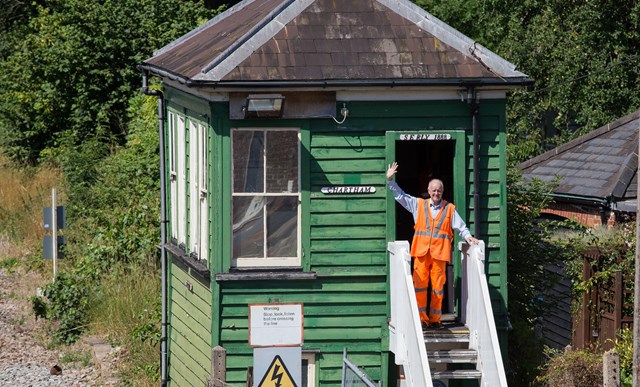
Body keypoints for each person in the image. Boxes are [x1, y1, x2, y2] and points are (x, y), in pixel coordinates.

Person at [386, 161, 479, 330]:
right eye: (433, 190)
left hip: (439, 255)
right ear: (428, 191)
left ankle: (435, 320)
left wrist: (468, 237)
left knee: (437, 288)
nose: (436, 193)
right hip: (421, 253)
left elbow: (461, 227)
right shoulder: (418, 204)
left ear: (442, 192)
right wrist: (391, 181)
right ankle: (421, 319)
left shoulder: (450, 209)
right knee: (420, 286)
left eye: (439, 190)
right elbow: (401, 196)